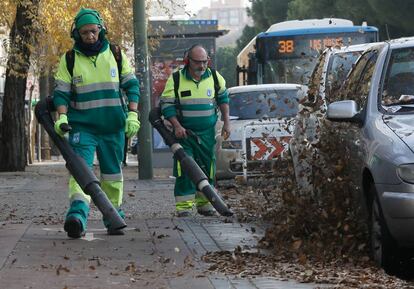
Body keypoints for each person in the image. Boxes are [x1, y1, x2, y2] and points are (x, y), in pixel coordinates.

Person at [53, 8, 140, 238]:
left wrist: (133, 114)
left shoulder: (117, 54)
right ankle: (77, 215)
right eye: (85, 33)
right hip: (83, 127)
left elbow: (132, 86)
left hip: (113, 128)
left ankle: (113, 215)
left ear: (101, 29)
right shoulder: (69, 59)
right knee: (81, 171)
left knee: (112, 175)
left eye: (93, 31)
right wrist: (62, 116)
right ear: (77, 34)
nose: (90, 36)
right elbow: (61, 94)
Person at [160, 44, 230, 217]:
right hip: (184, 134)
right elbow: (166, 106)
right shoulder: (176, 79)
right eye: (198, 62)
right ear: (187, 61)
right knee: (185, 168)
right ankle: (184, 206)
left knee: (207, 166)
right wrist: (177, 126)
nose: (202, 66)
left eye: (204, 62)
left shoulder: (215, 78)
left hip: (207, 134)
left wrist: (226, 122)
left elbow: (223, 99)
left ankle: (205, 204)